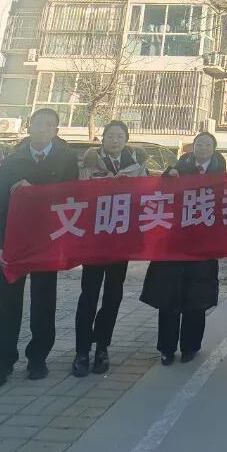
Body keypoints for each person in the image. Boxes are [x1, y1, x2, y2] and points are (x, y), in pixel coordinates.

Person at [0, 108, 80, 389]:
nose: (43, 129)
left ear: (56, 131)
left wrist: (35, 189)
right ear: (29, 126)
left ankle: (38, 358)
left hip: (47, 239)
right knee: (8, 302)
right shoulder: (14, 159)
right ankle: (3, 361)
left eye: (49, 125)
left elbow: (71, 196)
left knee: (44, 300)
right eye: (39, 124)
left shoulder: (66, 159)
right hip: (15, 239)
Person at [140, 132, 225, 365]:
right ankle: (166, 348)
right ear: (193, 147)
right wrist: (167, 178)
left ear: (214, 149)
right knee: (169, 296)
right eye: (199, 144)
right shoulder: (178, 168)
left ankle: (190, 346)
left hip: (203, 245)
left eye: (207, 144)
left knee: (196, 296)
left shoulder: (220, 173)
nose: (203, 148)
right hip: (173, 243)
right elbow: (160, 196)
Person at [71, 121, 147, 378]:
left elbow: (147, 195)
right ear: (102, 139)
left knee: (113, 295)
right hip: (94, 239)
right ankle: (82, 351)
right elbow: (77, 195)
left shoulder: (136, 165)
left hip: (120, 240)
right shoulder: (87, 164)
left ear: (126, 140)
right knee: (88, 295)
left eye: (120, 136)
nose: (115, 140)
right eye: (111, 135)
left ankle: (102, 347)